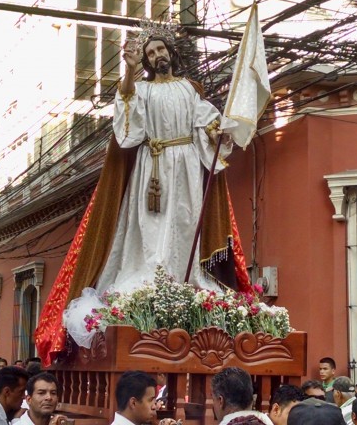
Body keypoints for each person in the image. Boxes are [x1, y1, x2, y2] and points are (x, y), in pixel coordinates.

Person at [34, 21, 252, 364]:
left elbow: (206, 125)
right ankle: (153, 280)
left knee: (184, 223)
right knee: (151, 230)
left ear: (170, 52)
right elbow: (128, 118)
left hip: (187, 166)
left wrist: (220, 131)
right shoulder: (144, 90)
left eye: (160, 50)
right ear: (146, 61)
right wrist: (130, 71)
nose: (157, 56)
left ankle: (186, 280)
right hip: (153, 166)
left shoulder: (189, 88)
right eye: (150, 53)